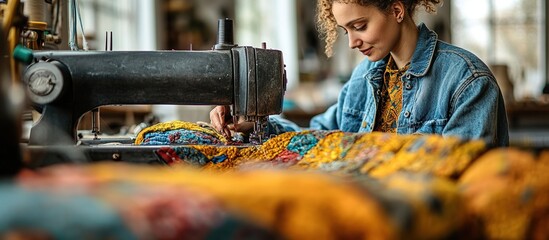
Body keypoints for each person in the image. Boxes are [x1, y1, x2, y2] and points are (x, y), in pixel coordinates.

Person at [210, 0, 509, 147]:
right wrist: (252, 124)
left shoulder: (467, 82)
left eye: (360, 26)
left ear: (396, 10)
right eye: (345, 30)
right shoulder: (363, 78)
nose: (352, 42)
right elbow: (317, 139)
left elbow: (467, 176)